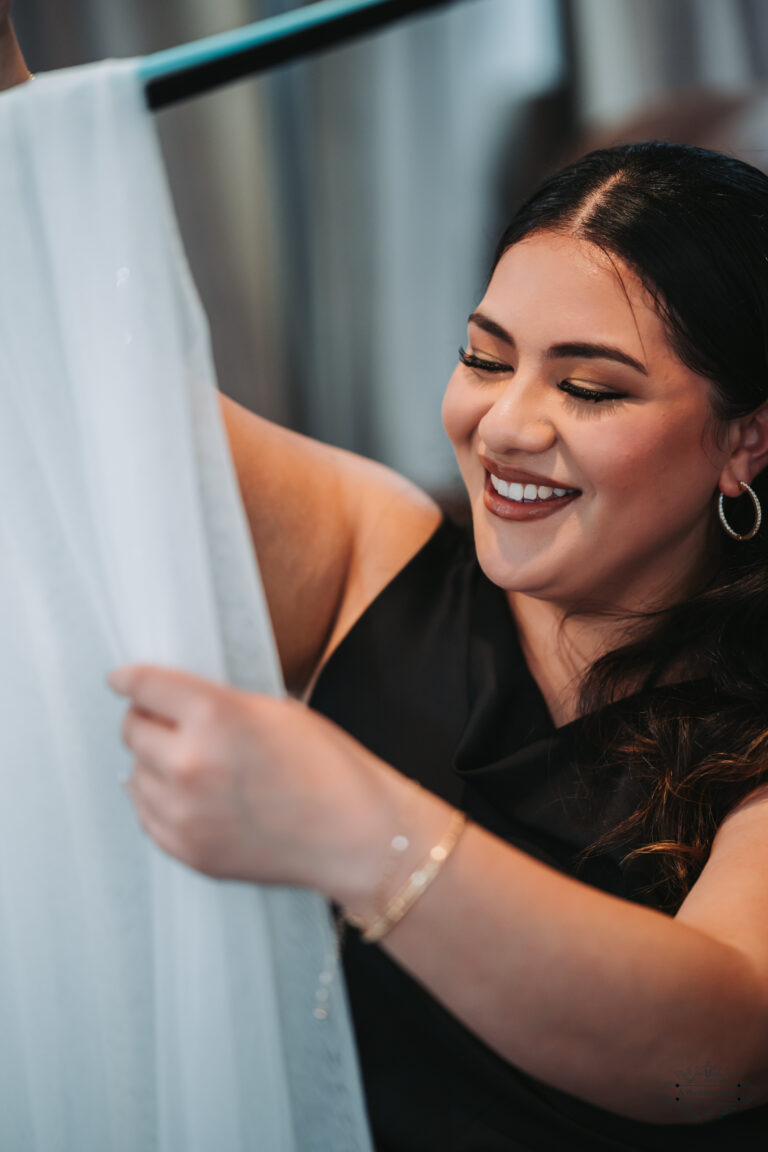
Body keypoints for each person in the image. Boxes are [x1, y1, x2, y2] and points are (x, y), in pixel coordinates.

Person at [5, 11, 768, 1149]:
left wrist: (354, 825)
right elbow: (87, 375)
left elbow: (710, 1048)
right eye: (484, 358)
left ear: (746, 440)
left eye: (590, 388)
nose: (505, 426)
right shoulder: (377, 550)